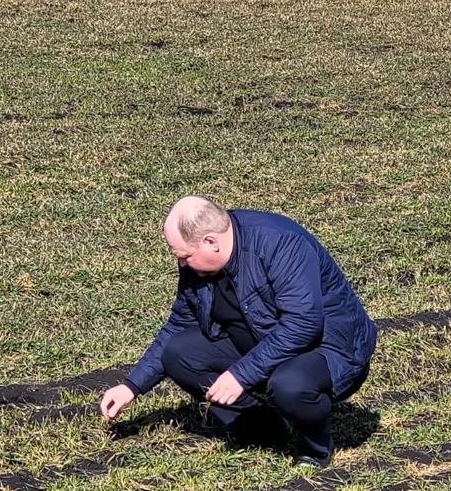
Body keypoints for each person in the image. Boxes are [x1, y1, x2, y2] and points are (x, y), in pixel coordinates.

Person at [100, 196, 377, 467]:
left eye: (184, 256)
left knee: (289, 385)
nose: (182, 264)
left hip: (329, 347)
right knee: (179, 353)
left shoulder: (279, 243)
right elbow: (179, 324)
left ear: (210, 242)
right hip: (261, 338)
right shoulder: (198, 264)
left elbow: (303, 324)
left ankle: (314, 449)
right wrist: (131, 387)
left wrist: (241, 374)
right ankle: (265, 430)